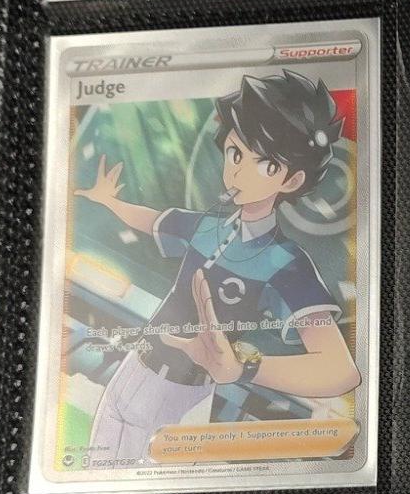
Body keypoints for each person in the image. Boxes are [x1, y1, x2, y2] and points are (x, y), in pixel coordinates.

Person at [76, 70, 361, 467]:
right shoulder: (206, 225)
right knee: (96, 468)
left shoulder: (285, 261)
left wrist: (242, 368)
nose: (239, 171)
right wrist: (110, 202)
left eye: (265, 164)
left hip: (184, 396)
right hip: (134, 367)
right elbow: (153, 219)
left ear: (293, 179)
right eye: (235, 153)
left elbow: (339, 371)